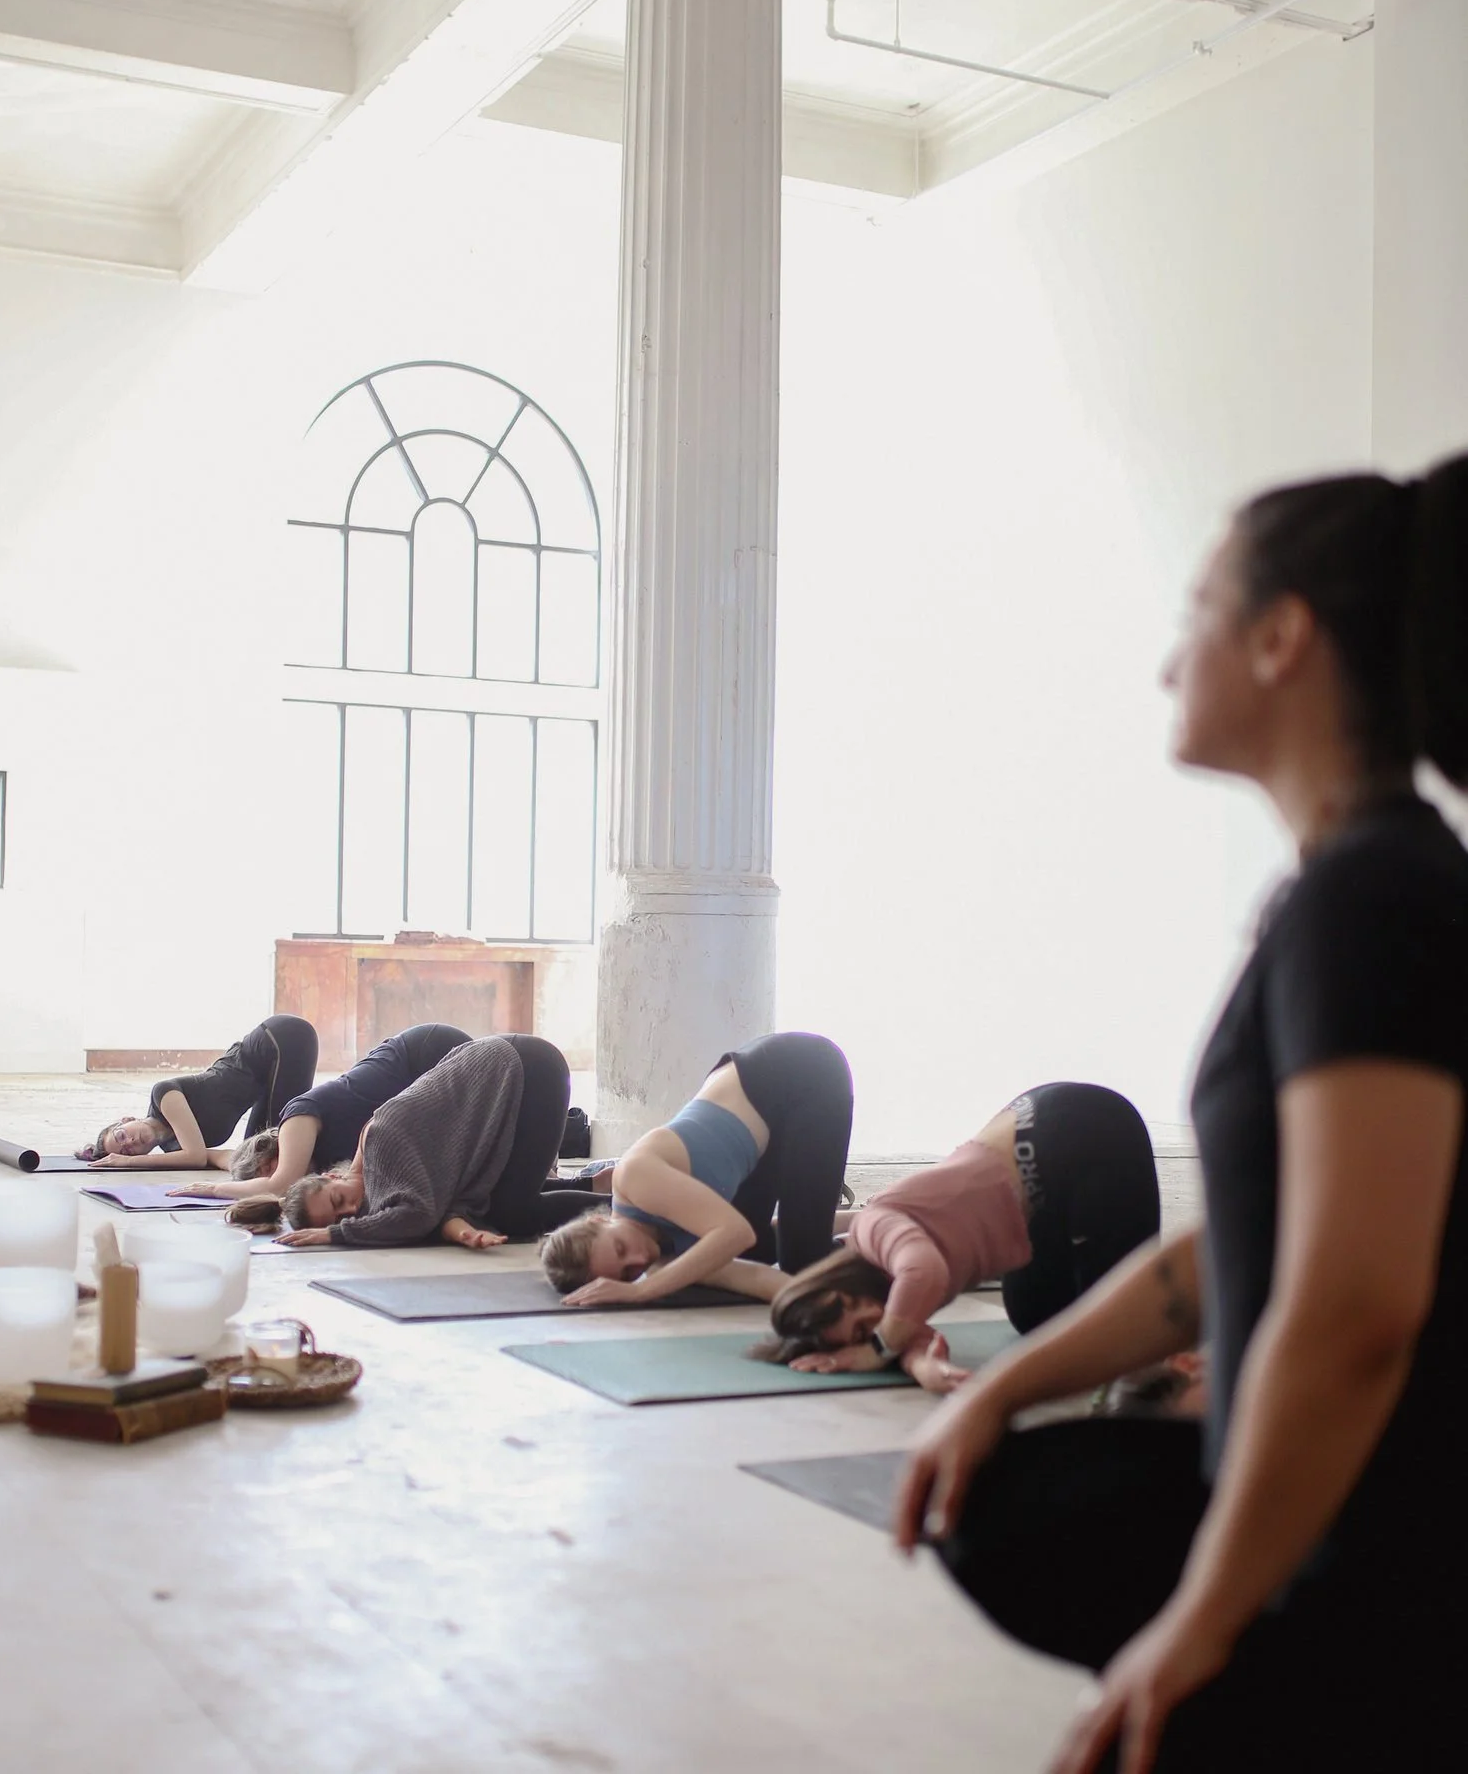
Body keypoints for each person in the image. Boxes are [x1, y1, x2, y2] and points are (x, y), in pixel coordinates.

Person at [892, 456, 1468, 1774]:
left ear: (1280, 638)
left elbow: (1356, 1304)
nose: (1166, 666)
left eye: (1195, 611)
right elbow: (1234, 1255)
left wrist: (1204, 1616)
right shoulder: (1350, 889)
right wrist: (1000, 1391)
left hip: (1383, 1532)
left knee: (1050, 1524)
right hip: (1353, 1505)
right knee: (1012, 1499)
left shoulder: (1370, 900)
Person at [753, 1081, 1159, 1391]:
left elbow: (922, 1275)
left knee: (1118, 1340)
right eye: (863, 1333)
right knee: (1035, 1316)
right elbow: (906, 1333)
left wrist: (875, 1349)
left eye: (855, 1315)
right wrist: (926, 1369)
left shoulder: (872, 1228)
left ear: (838, 1287)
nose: (872, 1323)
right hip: (1045, 1188)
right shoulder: (890, 1300)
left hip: (1083, 1130)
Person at [538, 1032, 853, 1306]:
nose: (639, 1260)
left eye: (620, 1248)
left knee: (804, 1263)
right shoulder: (667, 1260)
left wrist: (643, 1290)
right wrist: (816, 1303)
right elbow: (759, 1279)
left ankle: (882, 1235)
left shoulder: (635, 1178)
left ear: (599, 1219)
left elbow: (735, 1233)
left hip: (801, 1072)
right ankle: (866, 1222)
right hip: (764, 1122)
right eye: (628, 1274)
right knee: (765, 1258)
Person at [230, 1033, 604, 1248]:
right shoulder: (379, 1179)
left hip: (527, 1068)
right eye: (342, 1216)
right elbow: (438, 1209)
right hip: (514, 1072)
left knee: (514, 1214)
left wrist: (335, 1234)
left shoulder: (381, 1151)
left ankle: (630, 1209)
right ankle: (605, 1187)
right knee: (496, 1206)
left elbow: (418, 1216)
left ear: (332, 1177)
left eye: (339, 1201)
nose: (350, 1212)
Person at [169, 1021, 471, 1202]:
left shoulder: (296, 1120)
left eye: (263, 1174)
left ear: (267, 1159)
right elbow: (231, 1159)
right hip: (427, 1085)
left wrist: (213, 1191)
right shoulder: (323, 1167)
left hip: (425, 1053)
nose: (270, 1177)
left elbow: (279, 1185)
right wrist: (207, 1156)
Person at [78, 1015, 319, 1171]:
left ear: (127, 1120)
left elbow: (196, 1157)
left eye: (122, 1136)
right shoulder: (173, 1150)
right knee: (257, 1159)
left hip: (280, 1038)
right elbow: (219, 1158)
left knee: (283, 1151)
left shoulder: (163, 1096)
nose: (130, 1143)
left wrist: (128, 1162)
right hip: (267, 1077)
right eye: (128, 1151)